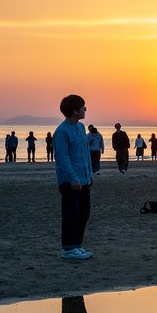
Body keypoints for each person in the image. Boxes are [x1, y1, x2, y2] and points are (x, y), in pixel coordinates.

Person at [54, 95, 94, 260]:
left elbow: (85, 153)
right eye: (83, 107)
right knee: (71, 214)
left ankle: (76, 245)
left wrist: (89, 174)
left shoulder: (80, 127)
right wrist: (73, 179)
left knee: (84, 213)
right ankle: (68, 248)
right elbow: (63, 158)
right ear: (74, 111)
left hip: (84, 178)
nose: (86, 109)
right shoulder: (62, 131)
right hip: (70, 181)